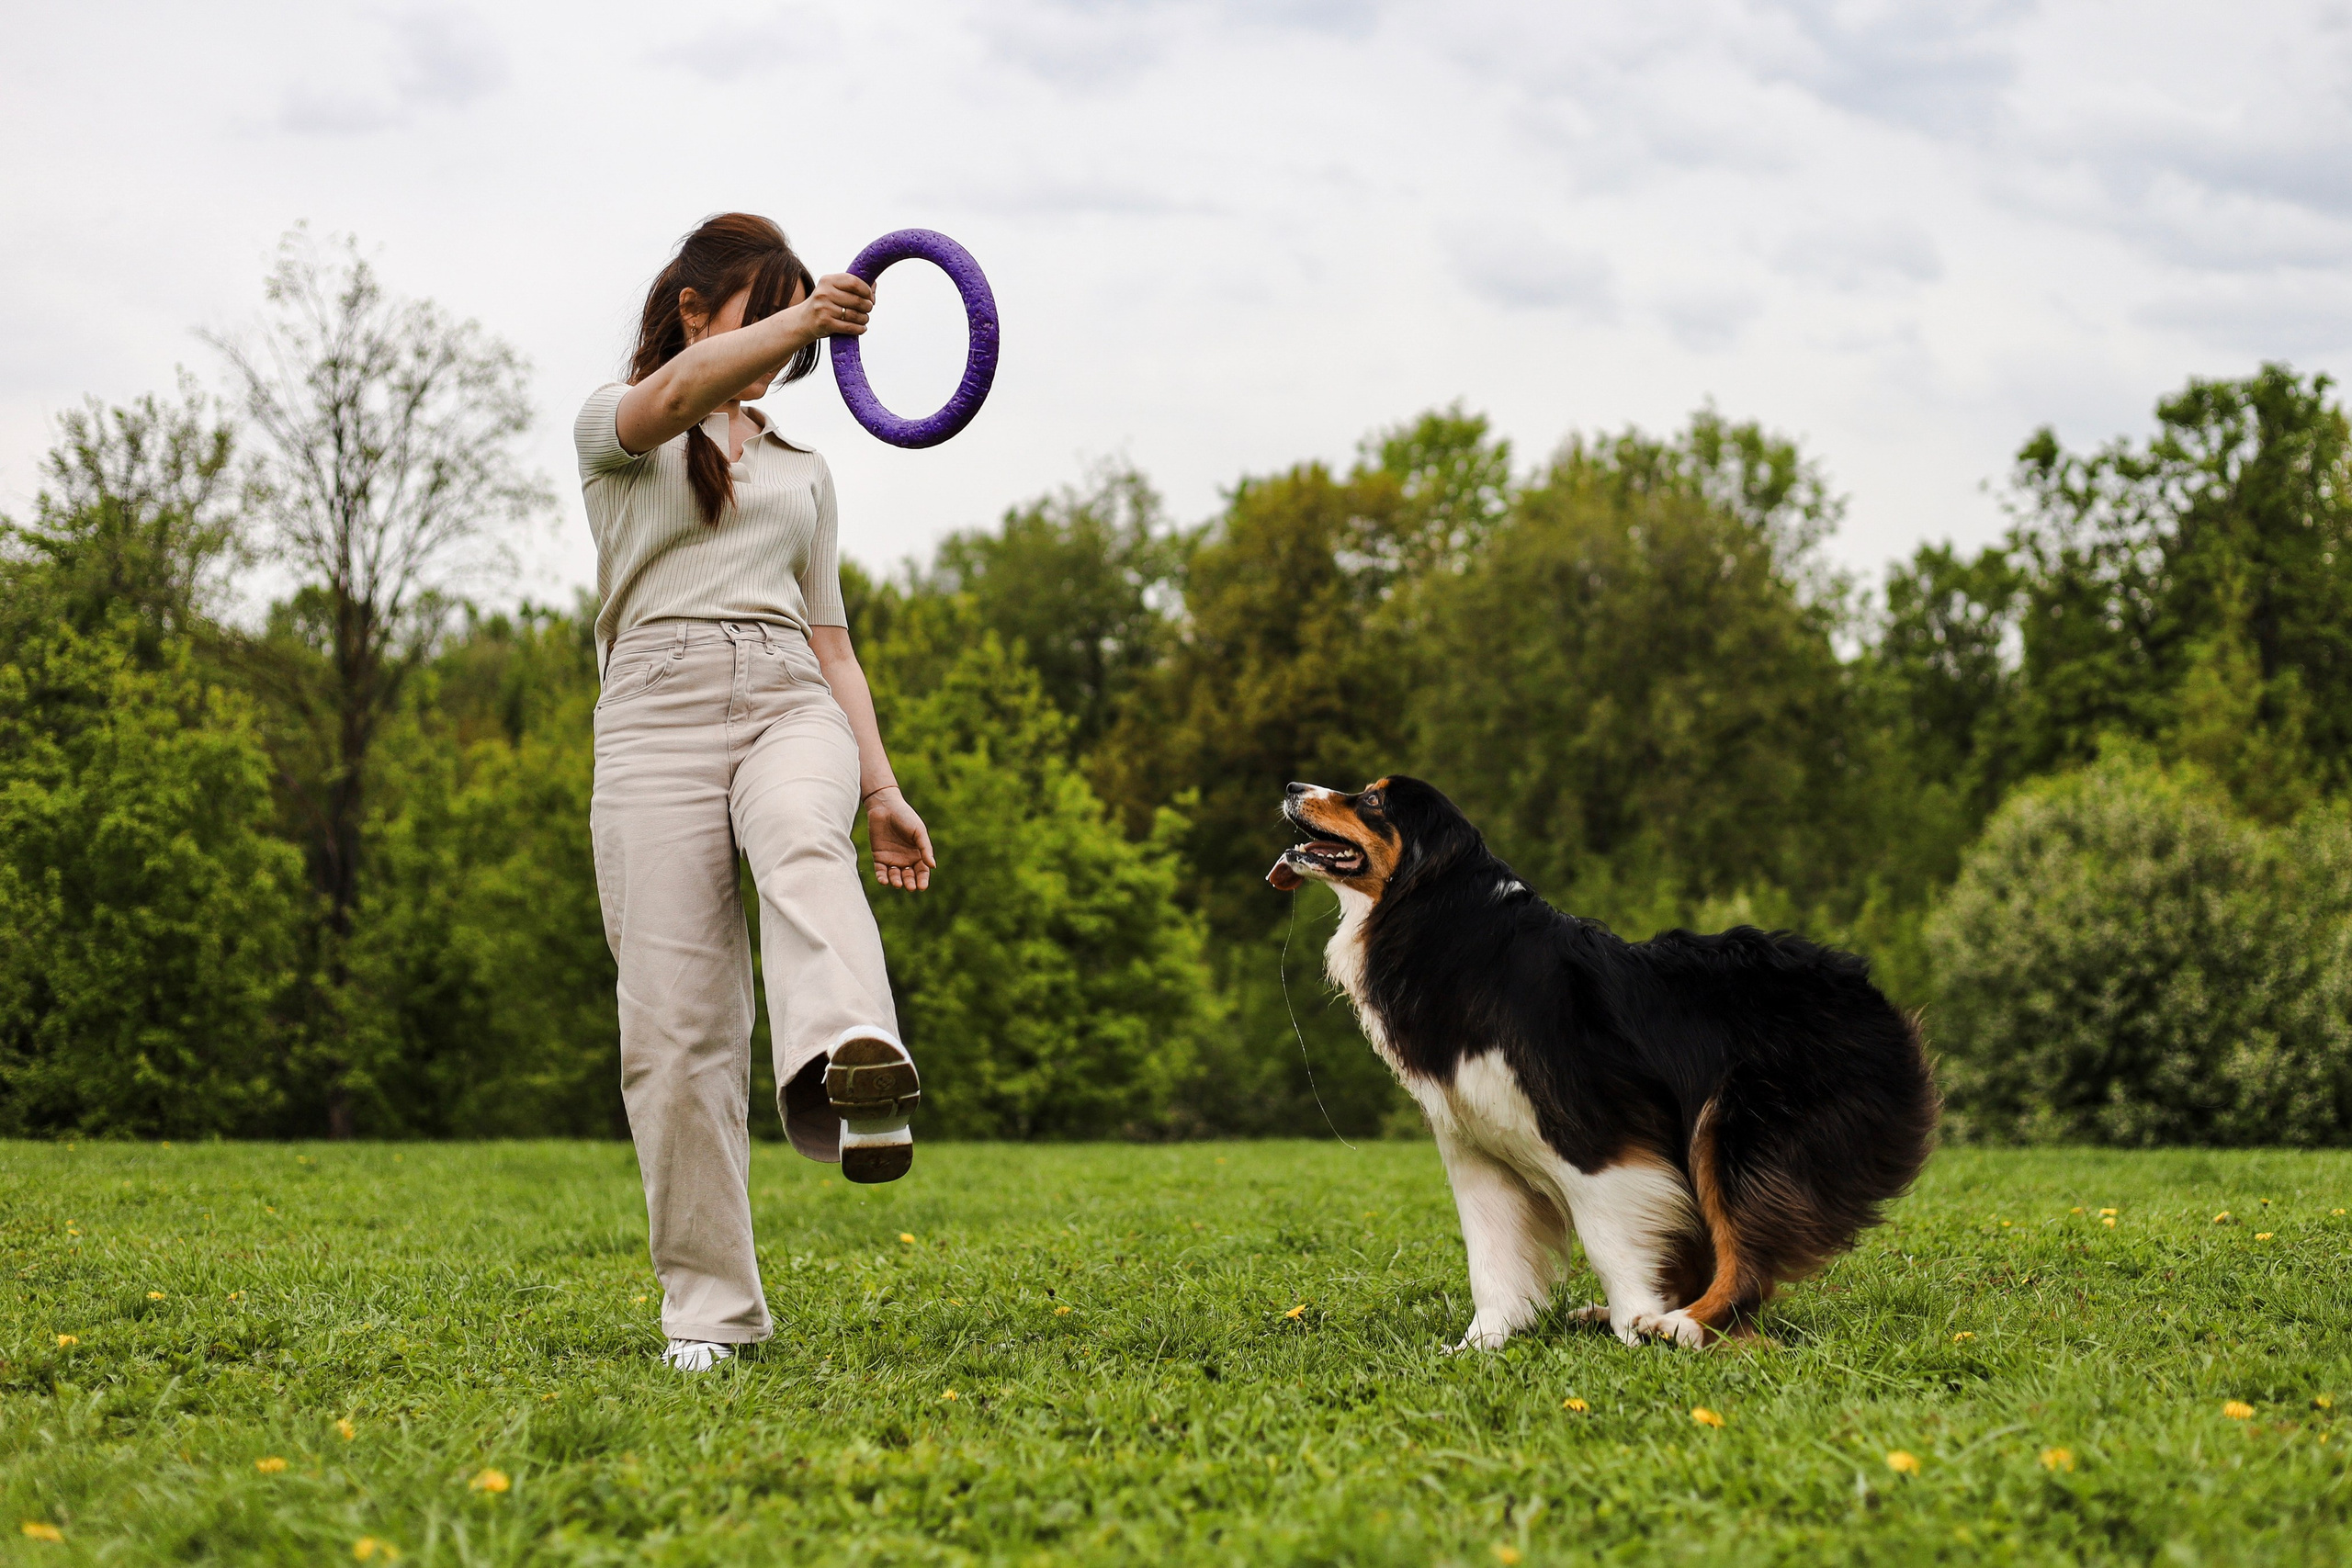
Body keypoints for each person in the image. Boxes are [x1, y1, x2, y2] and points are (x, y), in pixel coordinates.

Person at [578, 212, 935, 1372]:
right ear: (695, 308)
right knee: (675, 1029)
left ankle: (857, 1065)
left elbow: (833, 644)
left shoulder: (804, 471)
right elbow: (676, 397)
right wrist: (809, 310)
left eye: (800, 334)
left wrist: (881, 784)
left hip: (788, 696)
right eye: (768, 319)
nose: (788, 357)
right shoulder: (617, 429)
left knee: (799, 840)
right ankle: (711, 1315)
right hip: (653, 714)